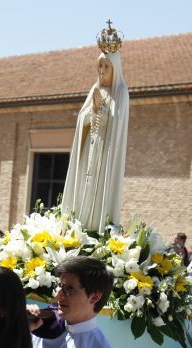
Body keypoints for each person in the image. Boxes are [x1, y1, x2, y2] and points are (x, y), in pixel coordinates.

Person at [60, 45, 129, 233]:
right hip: (89, 147)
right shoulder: (94, 89)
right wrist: (94, 109)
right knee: (84, 183)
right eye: (99, 66)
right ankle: (78, 225)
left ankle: (96, 228)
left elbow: (117, 124)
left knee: (100, 188)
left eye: (106, 66)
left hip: (106, 150)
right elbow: (82, 120)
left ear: (115, 68)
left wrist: (102, 110)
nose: (102, 70)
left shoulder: (121, 91)